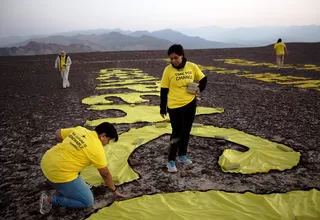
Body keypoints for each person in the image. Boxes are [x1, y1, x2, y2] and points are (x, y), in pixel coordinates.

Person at [39, 122, 126, 214]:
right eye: (108, 140)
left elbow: (58, 133)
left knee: (78, 163)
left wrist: (70, 148)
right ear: (103, 136)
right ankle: (49, 199)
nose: (107, 143)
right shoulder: (97, 150)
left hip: (45, 162)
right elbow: (106, 174)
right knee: (87, 201)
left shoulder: (81, 130)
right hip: (59, 174)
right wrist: (114, 190)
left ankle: (75, 187)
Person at [160, 44, 207, 172]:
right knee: (177, 132)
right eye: (171, 59)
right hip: (174, 106)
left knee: (186, 131)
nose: (173, 61)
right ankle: (170, 160)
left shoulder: (192, 66)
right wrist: (162, 108)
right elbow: (164, 90)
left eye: (176, 58)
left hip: (190, 104)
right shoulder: (168, 70)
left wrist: (199, 88)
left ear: (182, 55)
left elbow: (203, 79)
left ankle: (182, 155)